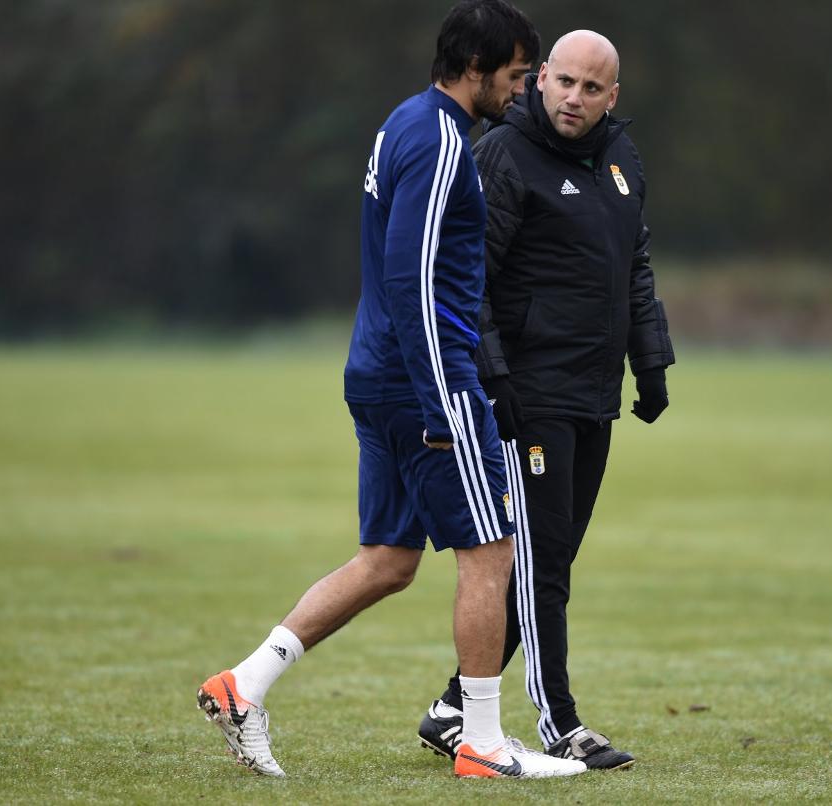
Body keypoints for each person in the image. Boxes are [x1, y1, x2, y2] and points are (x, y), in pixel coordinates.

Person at [195, 1, 586, 781]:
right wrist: (445, 401)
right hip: (424, 385)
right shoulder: (442, 142)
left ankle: (244, 685)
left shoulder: (402, 121)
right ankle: (480, 742)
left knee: (387, 560)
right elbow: (413, 279)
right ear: (475, 70)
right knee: (491, 551)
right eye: (515, 75)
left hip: (376, 374)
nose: (522, 91)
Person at [416, 29, 675, 771]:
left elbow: (636, 267)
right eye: (562, 81)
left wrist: (650, 365)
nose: (574, 98)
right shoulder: (502, 155)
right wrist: (496, 381)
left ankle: (450, 710)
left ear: (612, 97)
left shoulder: (623, 160)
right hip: (529, 396)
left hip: (594, 394)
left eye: (592, 89)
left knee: (551, 560)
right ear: (540, 80)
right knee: (541, 568)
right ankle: (561, 722)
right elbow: (470, 284)